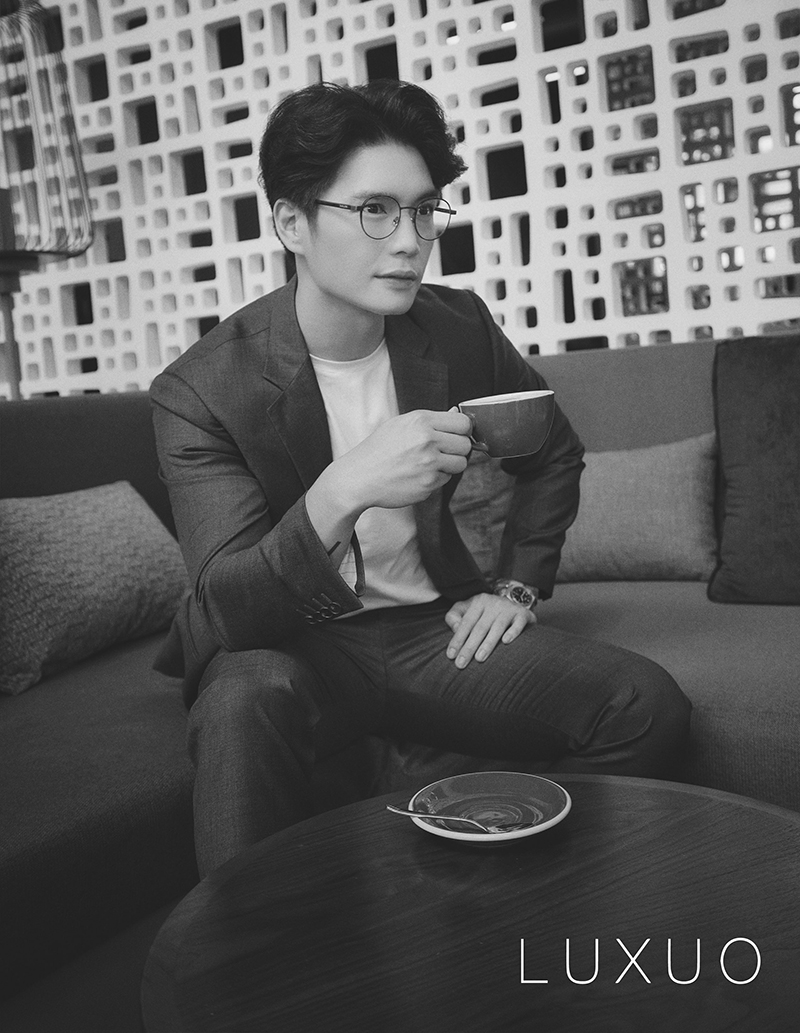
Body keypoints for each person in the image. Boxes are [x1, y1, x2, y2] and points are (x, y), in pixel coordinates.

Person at [150, 79, 691, 876]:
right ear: (292, 223)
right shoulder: (202, 390)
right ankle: (251, 944)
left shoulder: (455, 326)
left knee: (645, 706)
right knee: (242, 700)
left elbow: (554, 451)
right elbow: (230, 606)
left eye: (424, 210)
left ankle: (467, 870)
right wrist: (342, 489)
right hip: (291, 646)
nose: (409, 240)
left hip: (428, 631)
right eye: (374, 210)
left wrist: (516, 587)